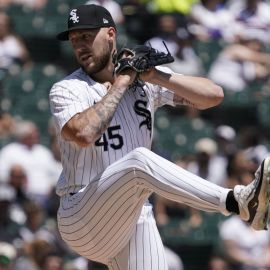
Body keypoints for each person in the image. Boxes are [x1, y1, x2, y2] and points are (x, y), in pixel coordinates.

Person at [49, 4, 270, 270]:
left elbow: (213, 95)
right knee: (139, 162)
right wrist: (121, 82)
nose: (79, 45)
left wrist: (155, 75)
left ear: (110, 34)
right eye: (74, 40)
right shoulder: (67, 89)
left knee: (139, 179)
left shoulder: (145, 83)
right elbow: (85, 133)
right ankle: (237, 201)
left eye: (86, 36)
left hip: (130, 215)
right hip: (82, 213)